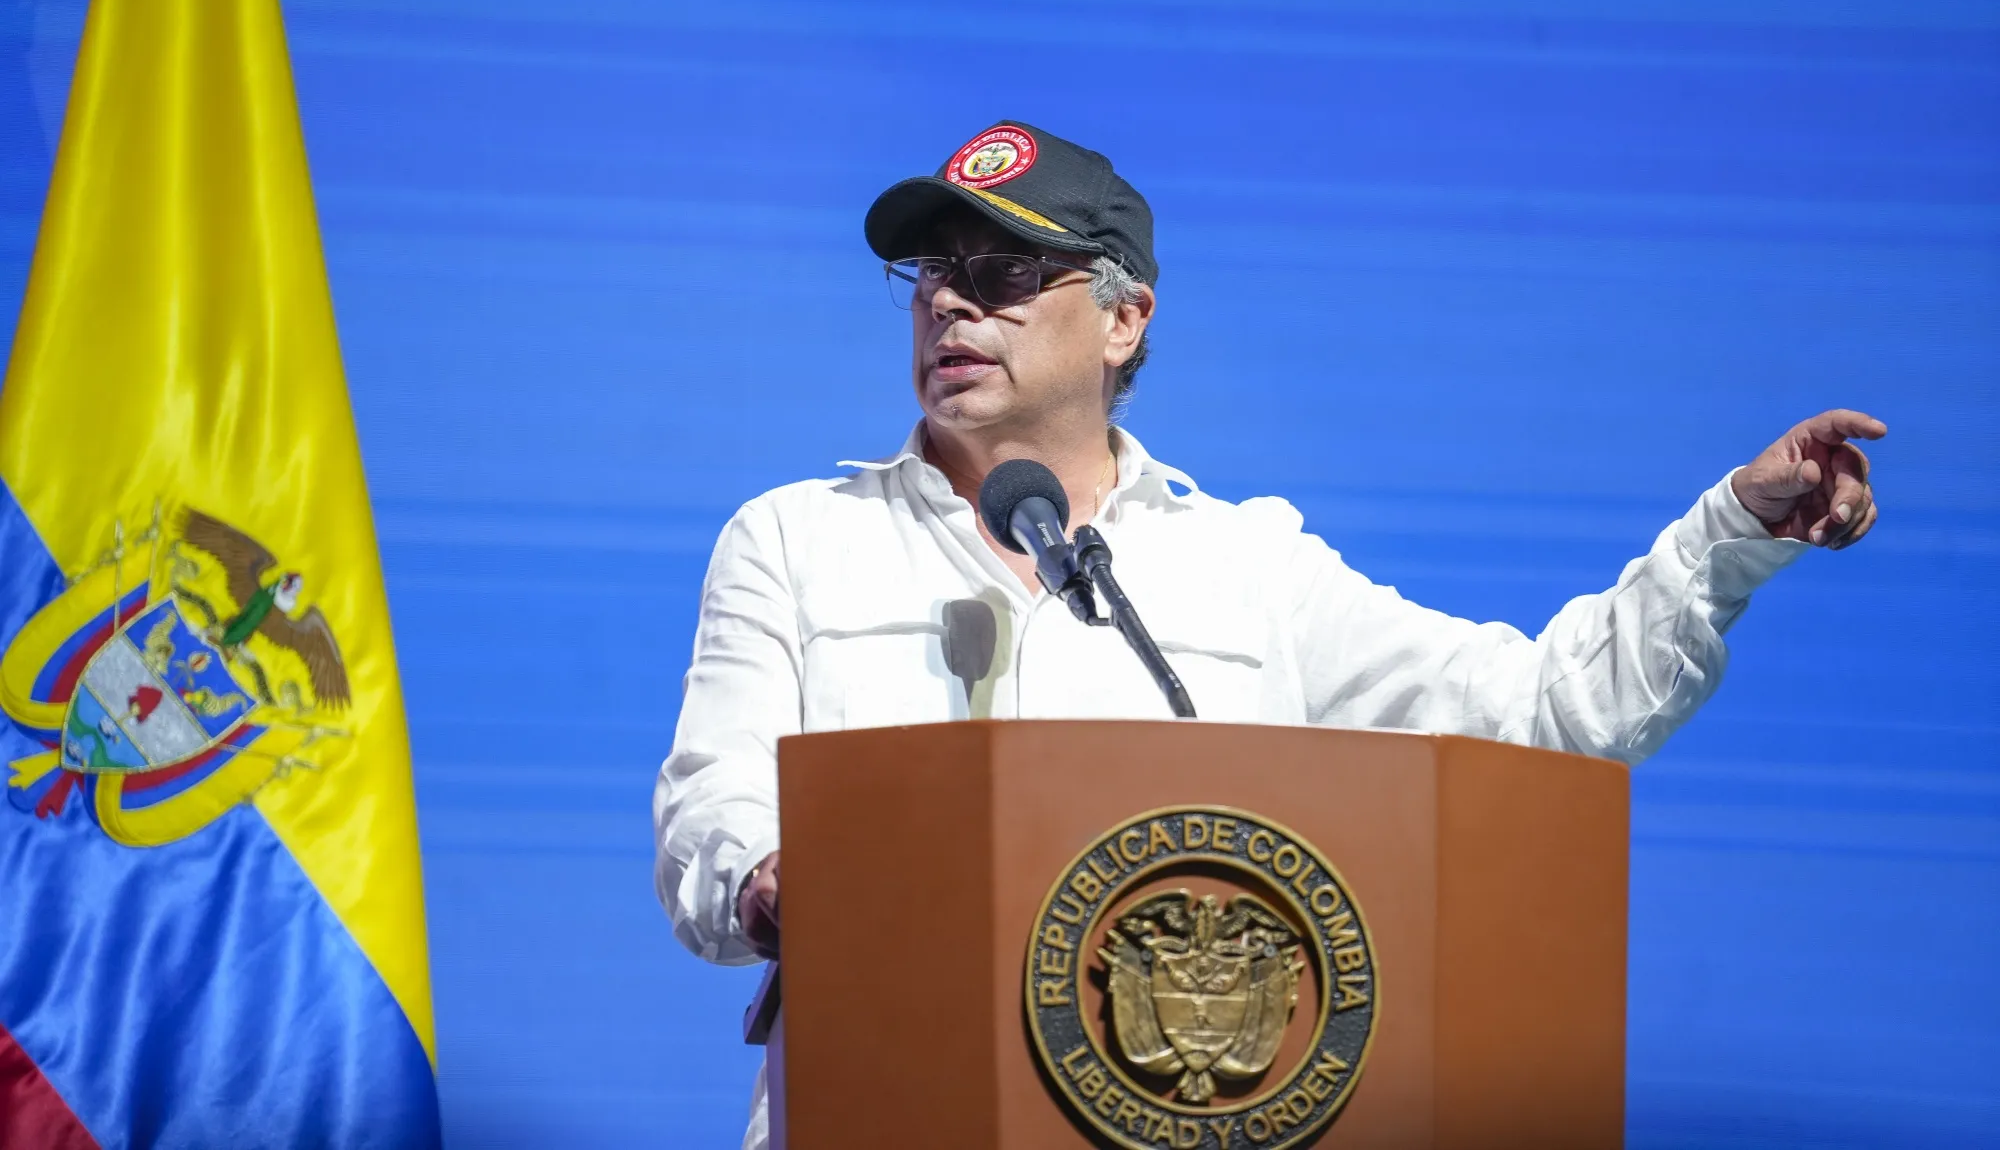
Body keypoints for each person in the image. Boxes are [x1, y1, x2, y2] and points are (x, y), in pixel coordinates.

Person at [652, 120, 1884, 1150]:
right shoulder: (796, 538)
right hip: (878, 1105)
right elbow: (714, 803)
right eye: (932, 270)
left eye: (1007, 271)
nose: (948, 300)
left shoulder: (1245, 567)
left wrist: (1729, 532)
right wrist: (768, 877)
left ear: (1123, 318)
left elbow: (1544, 714)